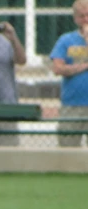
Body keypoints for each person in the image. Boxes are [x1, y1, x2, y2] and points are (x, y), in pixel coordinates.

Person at [50, 0, 88, 147]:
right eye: (82, 16)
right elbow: (58, 68)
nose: (86, 20)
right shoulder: (66, 40)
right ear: (75, 18)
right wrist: (83, 66)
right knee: (68, 147)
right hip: (72, 104)